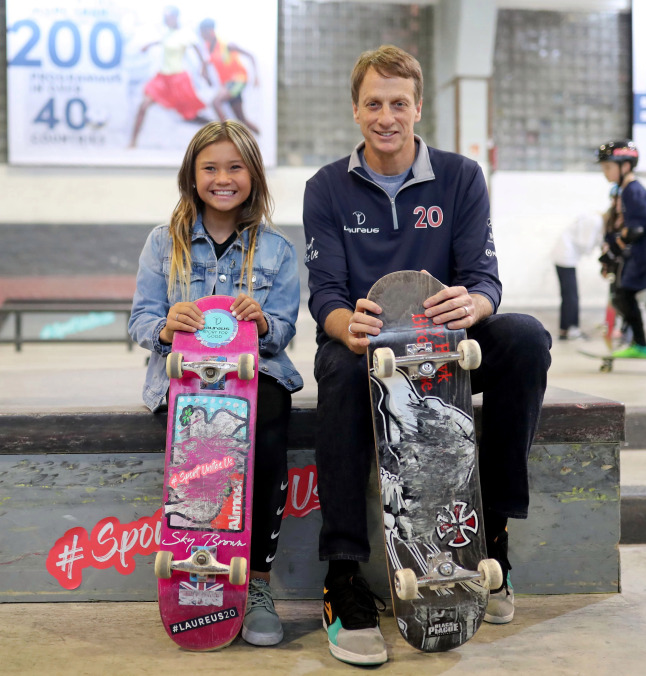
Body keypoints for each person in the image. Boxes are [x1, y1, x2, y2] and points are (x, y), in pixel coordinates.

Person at [302, 45, 552, 666]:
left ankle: (489, 537)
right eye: (373, 104)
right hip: (365, 348)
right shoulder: (326, 187)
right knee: (334, 370)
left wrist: (476, 307)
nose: (387, 116)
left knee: (526, 340)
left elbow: (485, 278)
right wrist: (344, 325)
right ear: (355, 111)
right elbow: (326, 295)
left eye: (399, 103)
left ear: (418, 107)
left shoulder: (461, 177)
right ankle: (342, 576)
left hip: (446, 346)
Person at [129, 120, 302, 646]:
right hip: (184, 383)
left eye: (235, 167)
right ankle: (193, 565)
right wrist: (167, 327)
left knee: (268, 413)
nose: (223, 178)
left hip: (255, 380)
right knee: (199, 424)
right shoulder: (164, 244)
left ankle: (257, 581)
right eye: (210, 167)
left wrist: (264, 322)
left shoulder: (275, 250)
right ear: (192, 175)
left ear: (253, 175)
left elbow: (286, 329)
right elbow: (140, 320)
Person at [596, 139, 646, 358]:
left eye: (608, 167)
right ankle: (640, 346)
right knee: (622, 296)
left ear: (625, 166)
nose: (605, 172)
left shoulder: (633, 191)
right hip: (641, 256)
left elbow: (636, 230)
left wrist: (613, 251)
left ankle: (640, 344)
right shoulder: (623, 191)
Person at [129, 6, 211, 148]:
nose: (166, 21)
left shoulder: (186, 34)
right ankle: (132, 143)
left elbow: (200, 54)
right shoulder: (168, 32)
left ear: (175, 17)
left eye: (168, 18)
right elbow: (163, 41)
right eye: (165, 18)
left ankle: (219, 130)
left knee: (191, 116)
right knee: (143, 106)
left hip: (178, 80)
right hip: (162, 79)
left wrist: (204, 70)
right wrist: (148, 45)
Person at [199, 18, 261, 134]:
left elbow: (251, 56)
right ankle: (262, 136)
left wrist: (256, 77)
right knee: (242, 120)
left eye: (203, 32)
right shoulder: (209, 47)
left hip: (238, 80)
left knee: (216, 102)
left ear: (210, 31)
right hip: (228, 83)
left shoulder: (226, 45)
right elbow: (208, 63)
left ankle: (226, 135)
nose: (201, 35)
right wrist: (205, 73)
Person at [551, 211, 604, 340]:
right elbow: (585, 244)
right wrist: (601, 243)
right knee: (571, 296)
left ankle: (564, 329)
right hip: (566, 257)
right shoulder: (596, 221)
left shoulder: (594, 219)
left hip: (564, 256)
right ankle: (572, 330)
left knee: (568, 295)